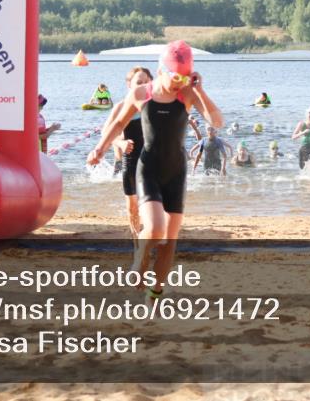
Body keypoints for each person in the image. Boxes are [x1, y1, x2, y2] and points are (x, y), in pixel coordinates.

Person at [87, 41, 223, 303]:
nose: (179, 81)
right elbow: (118, 122)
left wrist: (200, 90)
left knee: (170, 241)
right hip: (148, 168)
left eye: (185, 76)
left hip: (176, 172)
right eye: (176, 76)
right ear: (162, 70)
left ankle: (154, 295)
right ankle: (140, 256)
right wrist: (100, 148)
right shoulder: (141, 94)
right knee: (156, 229)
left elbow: (217, 122)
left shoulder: (187, 94)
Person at [100, 67, 153, 241]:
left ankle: (152, 235)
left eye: (146, 82)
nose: (143, 86)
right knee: (133, 206)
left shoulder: (157, 105)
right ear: (129, 85)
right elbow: (106, 133)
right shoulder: (122, 106)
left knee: (152, 204)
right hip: (131, 160)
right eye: (139, 82)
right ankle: (137, 241)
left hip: (154, 161)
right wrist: (120, 143)